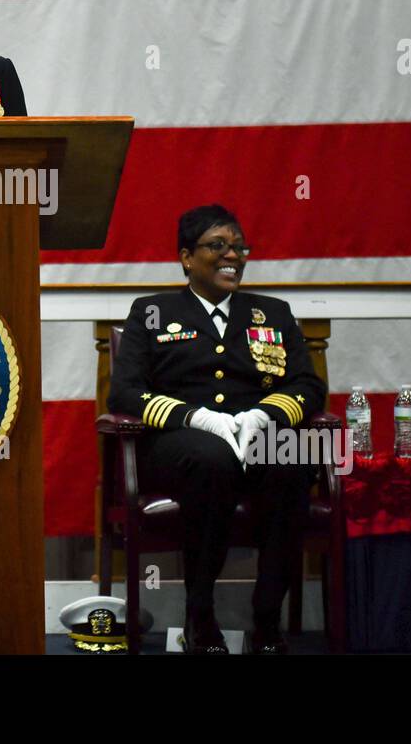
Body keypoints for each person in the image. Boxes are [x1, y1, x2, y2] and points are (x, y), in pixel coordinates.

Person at [109, 203, 326, 654]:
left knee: (301, 454)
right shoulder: (151, 311)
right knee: (214, 459)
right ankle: (200, 615)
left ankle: (268, 617)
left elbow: (308, 386)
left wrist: (265, 413)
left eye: (239, 247)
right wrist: (196, 417)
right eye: (218, 246)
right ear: (187, 257)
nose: (233, 256)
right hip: (178, 444)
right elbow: (125, 393)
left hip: (256, 433)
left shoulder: (273, 313)